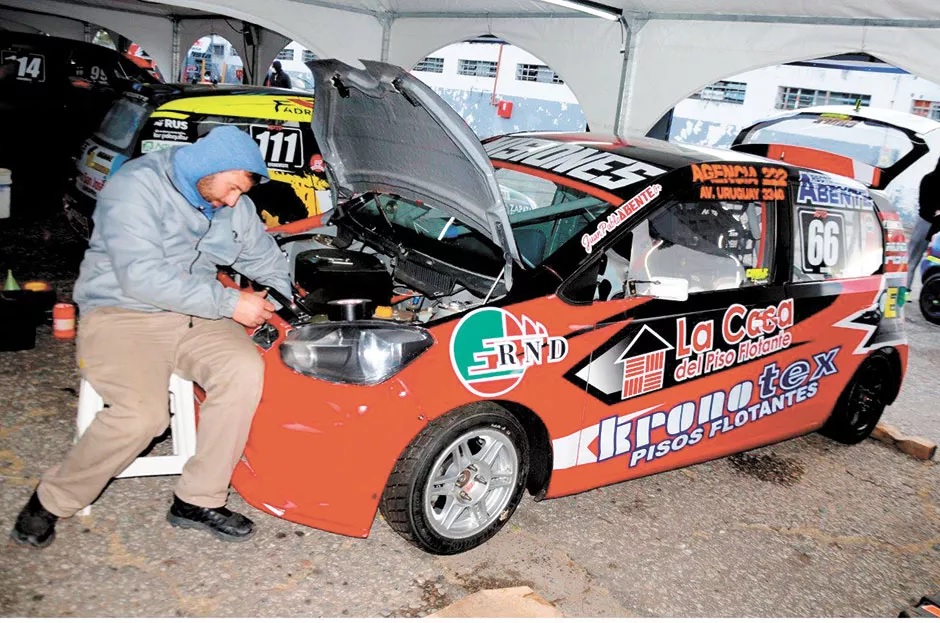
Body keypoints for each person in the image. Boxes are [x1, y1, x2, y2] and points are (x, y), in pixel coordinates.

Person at [10, 126, 291, 548]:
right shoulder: (134, 187)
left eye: (240, 192)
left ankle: (198, 498)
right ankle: (50, 500)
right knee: (143, 417)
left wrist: (285, 297)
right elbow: (142, 277)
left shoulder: (233, 203)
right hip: (124, 314)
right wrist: (231, 304)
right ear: (209, 169)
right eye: (232, 188)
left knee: (244, 369)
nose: (234, 200)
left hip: (197, 315)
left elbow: (265, 259)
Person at [908, 158, 940, 289]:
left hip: (928, 223)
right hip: (927, 224)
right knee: (912, 260)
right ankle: (904, 291)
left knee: (912, 259)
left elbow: (924, 205)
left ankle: (904, 291)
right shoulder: (929, 179)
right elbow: (925, 205)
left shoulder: (928, 178)